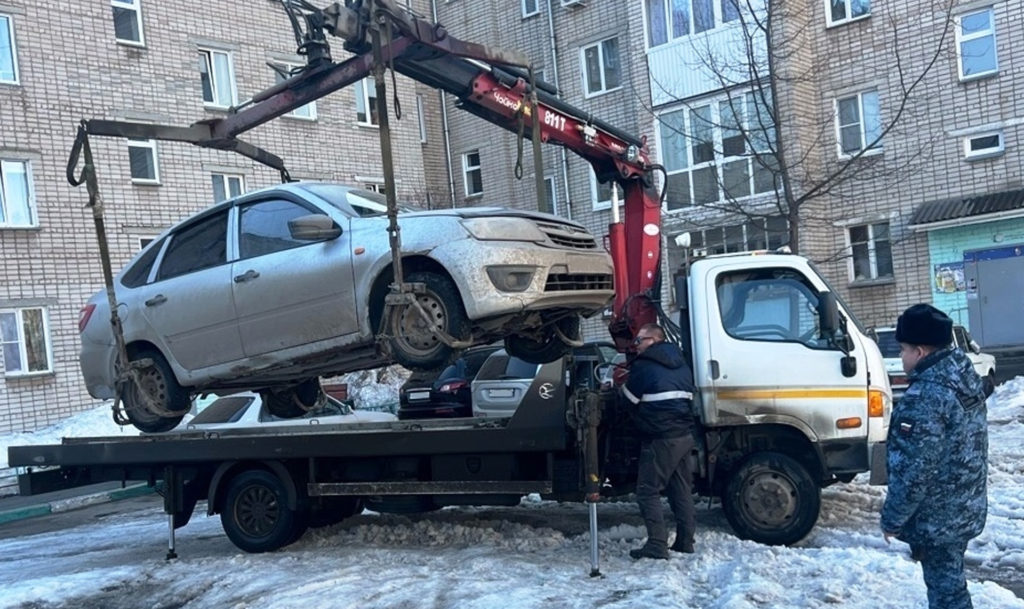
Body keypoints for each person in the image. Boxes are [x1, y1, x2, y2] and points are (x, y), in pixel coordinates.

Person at [880, 304, 988, 609]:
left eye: (903, 349)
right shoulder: (963, 379)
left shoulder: (925, 397)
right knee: (950, 587)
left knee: (947, 595)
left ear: (920, 351)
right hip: (963, 507)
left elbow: (914, 471)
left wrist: (892, 519)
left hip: (938, 519)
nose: (901, 356)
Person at [623, 323, 698, 560]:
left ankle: (657, 544)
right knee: (681, 490)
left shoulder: (644, 367)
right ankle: (685, 541)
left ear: (653, 341)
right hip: (684, 435)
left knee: (647, 491)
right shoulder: (682, 363)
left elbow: (627, 400)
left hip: (661, 438)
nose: (635, 346)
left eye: (639, 341)